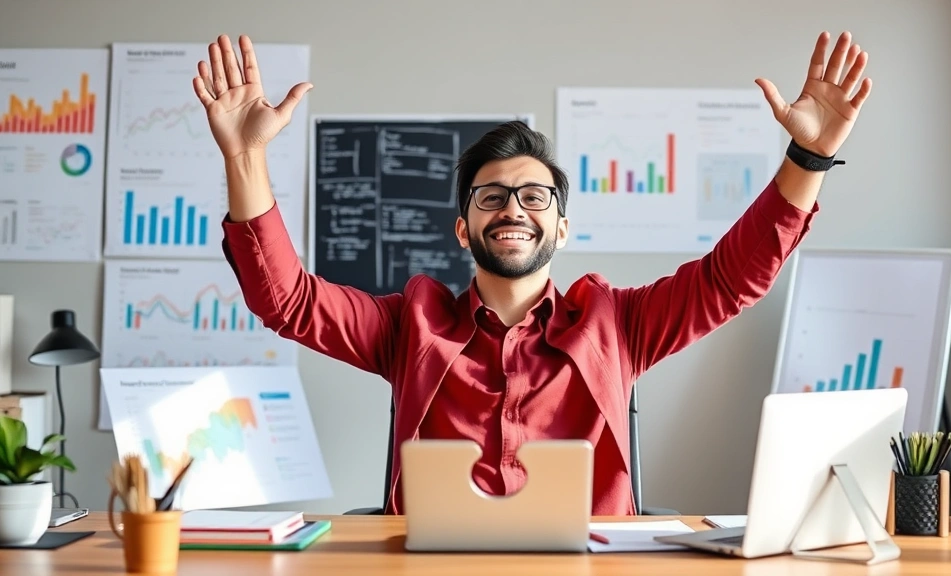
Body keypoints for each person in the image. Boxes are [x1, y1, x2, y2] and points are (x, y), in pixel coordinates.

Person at [192, 31, 871, 515]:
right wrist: (245, 157)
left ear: (561, 227)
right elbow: (287, 299)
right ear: (464, 227)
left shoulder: (617, 323)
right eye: (490, 196)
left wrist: (805, 161)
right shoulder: (410, 325)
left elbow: (730, 280)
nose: (512, 209)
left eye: (533, 196)